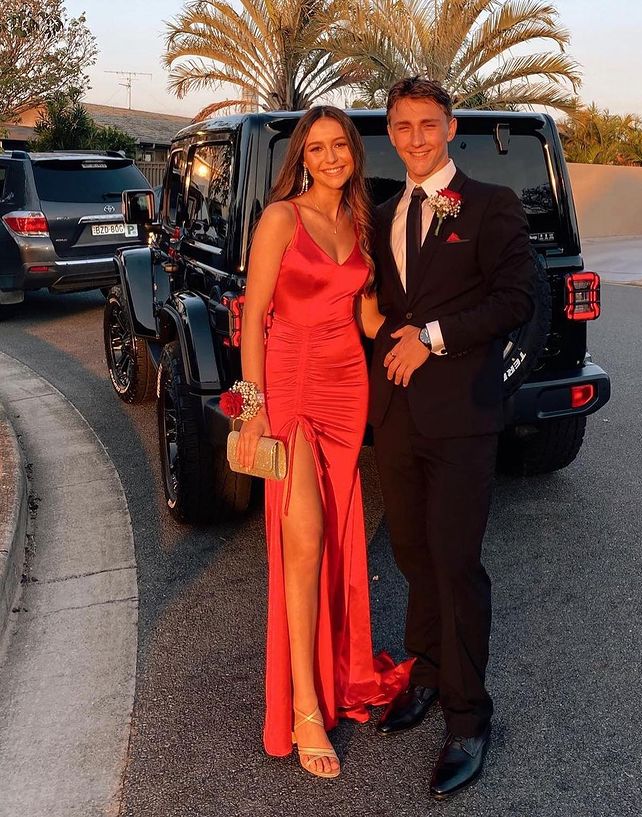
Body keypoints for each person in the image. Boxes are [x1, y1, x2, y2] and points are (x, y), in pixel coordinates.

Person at [369, 78, 536, 799]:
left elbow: (516, 299)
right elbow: (377, 304)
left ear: (450, 126)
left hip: (463, 416)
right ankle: (428, 673)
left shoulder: (492, 205)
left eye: (428, 124)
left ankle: (468, 718)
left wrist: (432, 337)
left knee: (456, 561)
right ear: (391, 133)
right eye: (403, 126)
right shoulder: (382, 215)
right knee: (411, 551)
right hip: (397, 415)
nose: (416, 138)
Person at [235, 106, 410, 779]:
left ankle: (334, 673)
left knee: (336, 535)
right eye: (318, 147)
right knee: (302, 535)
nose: (331, 156)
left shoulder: (361, 223)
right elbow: (254, 314)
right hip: (289, 384)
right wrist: (252, 410)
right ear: (302, 159)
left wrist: (425, 330)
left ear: (354, 153)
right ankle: (304, 707)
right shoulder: (282, 218)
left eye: (340, 145)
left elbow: (366, 317)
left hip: (345, 388)